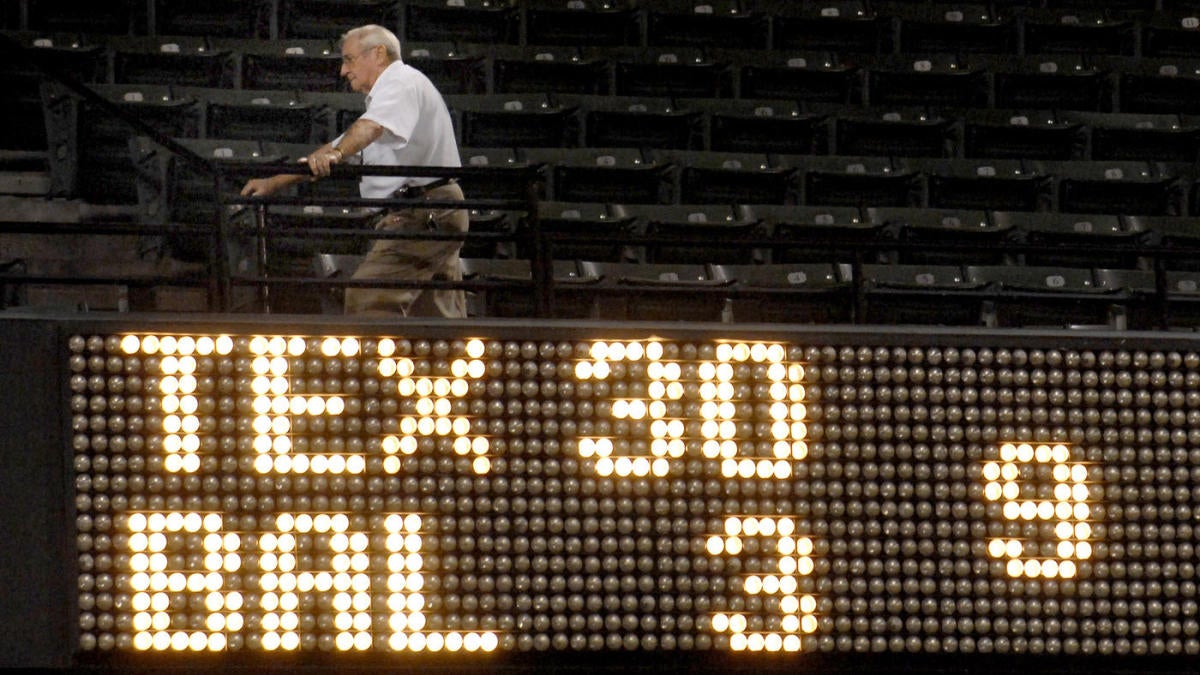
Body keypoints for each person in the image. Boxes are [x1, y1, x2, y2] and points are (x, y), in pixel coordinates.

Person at [240, 24, 467, 317]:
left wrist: (337, 152)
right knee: (435, 317)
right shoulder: (390, 100)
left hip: (424, 212)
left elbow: (360, 135)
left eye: (348, 59)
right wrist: (274, 182)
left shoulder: (400, 82)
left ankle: (371, 363)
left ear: (379, 54)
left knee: (367, 300)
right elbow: (335, 147)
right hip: (432, 210)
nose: (343, 71)